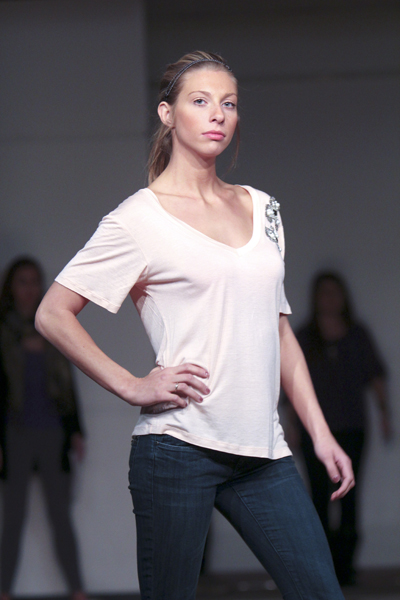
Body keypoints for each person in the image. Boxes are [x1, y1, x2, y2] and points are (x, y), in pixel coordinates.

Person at [35, 51, 355, 600]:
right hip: (177, 448)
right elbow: (51, 314)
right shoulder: (139, 218)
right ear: (167, 113)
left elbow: (279, 333)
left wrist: (321, 433)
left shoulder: (265, 208)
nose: (218, 115)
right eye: (200, 101)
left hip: (264, 455)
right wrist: (134, 385)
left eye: (228, 104)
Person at [293, 271, 391, 585]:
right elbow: (290, 384)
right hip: (314, 432)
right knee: (318, 498)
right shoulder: (305, 337)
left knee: (349, 498)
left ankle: (345, 569)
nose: (330, 299)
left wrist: (385, 414)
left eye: (335, 292)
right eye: (324, 292)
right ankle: (323, 571)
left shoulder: (357, 335)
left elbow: (376, 377)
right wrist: (292, 426)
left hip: (352, 428)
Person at [0, 257, 87, 600]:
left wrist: (77, 430)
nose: (30, 288)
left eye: (35, 281)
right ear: (11, 287)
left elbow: (68, 382)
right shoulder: (3, 330)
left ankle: (77, 591)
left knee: (61, 518)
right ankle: (4, 591)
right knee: (13, 519)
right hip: (15, 434)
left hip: (53, 432)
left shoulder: (51, 324)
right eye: (22, 281)